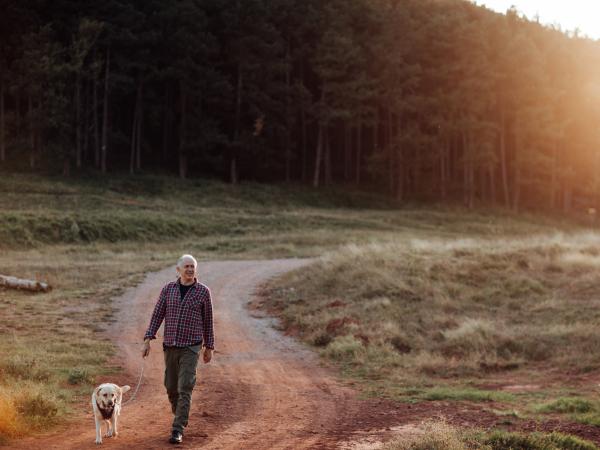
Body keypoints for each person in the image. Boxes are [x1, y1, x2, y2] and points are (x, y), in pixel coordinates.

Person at [142, 254, 214, 445]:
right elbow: (158, 314)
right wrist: (148, 338)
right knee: (170, 386)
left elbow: (208, 321)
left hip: (191, 346)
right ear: (178, 269)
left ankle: (177, 428)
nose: (190, 270)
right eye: (187, 266)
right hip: (171, 345)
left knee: (185, 387)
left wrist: (209, 347)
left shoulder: (203, 292)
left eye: (193, 267)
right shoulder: (168, 290)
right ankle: (180, 413)